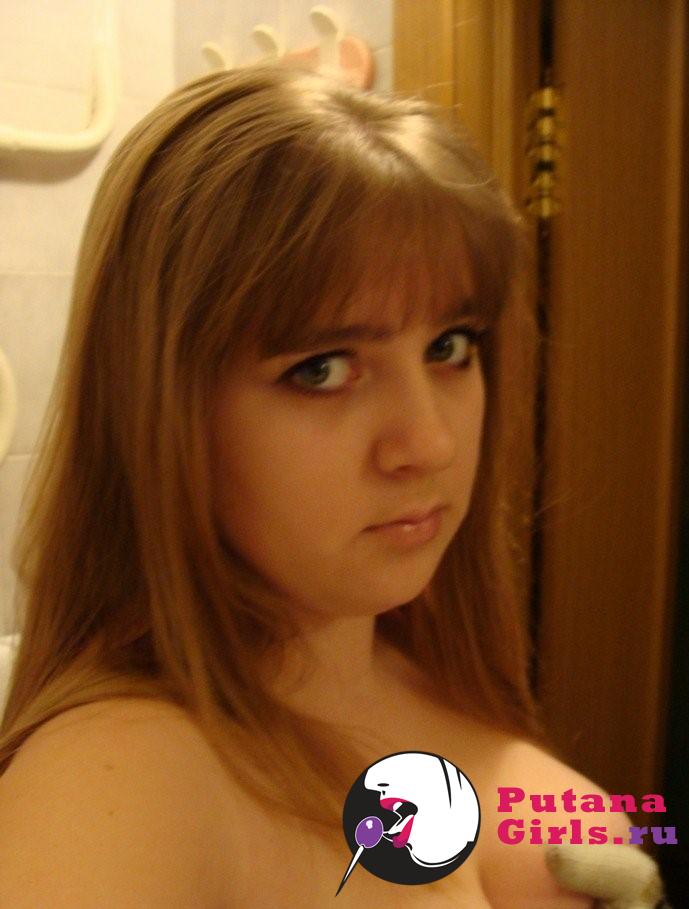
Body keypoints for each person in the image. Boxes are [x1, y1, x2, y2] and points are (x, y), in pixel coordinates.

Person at [0, 61, 657, 907]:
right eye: (322, 368)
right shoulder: (118, 777)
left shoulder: (420, 661)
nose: (429, 441)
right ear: (157, 412)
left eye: (450, 346)